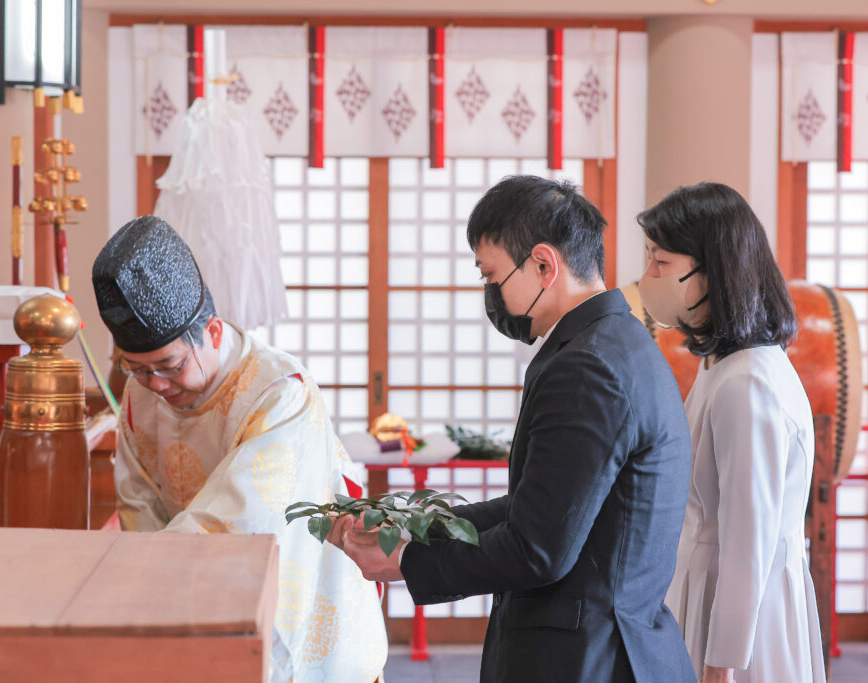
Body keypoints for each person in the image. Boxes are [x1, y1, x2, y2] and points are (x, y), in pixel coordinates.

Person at [331, 176, 696, 682]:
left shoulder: (587, 368)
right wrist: (416, 528)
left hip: (586, 658)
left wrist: (407, 561)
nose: (489, 292)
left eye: (491, 275)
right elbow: (539, 506)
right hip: (606, 644)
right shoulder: (619, 342)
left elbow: (538, 549)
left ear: (544, 265)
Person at [91, 215, 387, 683]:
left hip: (299, 596)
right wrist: (143, 586)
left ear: (210, 332)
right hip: (188, 596)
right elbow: (138, 503)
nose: (156, 385)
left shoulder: (279, 392)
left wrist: (139, 573)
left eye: (168, 365)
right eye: (138, 369)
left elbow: (239, 519)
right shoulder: (140, 395)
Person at [637, 183, 825, 683]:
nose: (647, 277)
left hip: (736, 607)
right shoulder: (724, 365)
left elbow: (748, 542)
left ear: (711, 270)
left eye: (661, 263)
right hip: (708, 583)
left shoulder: (747, 383)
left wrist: (722, 664)